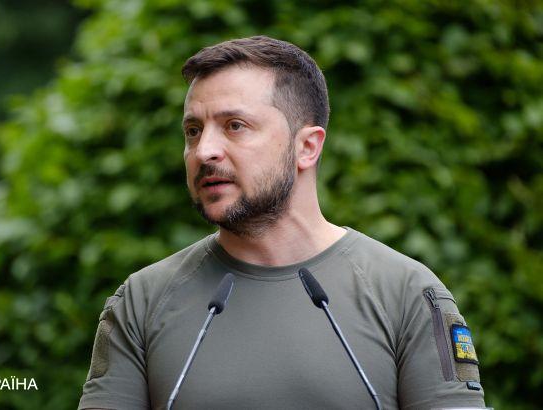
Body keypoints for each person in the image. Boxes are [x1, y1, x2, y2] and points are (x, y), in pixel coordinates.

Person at [78, 35, 486, 409]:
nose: (204, 151)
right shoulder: (141, 302)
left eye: (235, 126)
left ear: (307, 147)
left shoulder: (407, 295)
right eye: (193, 130)